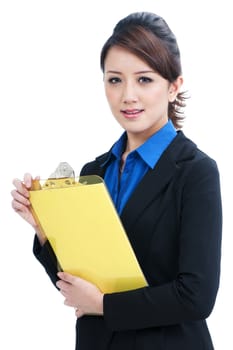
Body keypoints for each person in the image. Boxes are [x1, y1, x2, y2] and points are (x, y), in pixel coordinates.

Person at [11, 11, 222, 350]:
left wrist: (105, 305)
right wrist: (45, 231)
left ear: (173, 86)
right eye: (115, 80)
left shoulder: (196, 172)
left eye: (144, 79)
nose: (128, 96)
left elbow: (196, 296)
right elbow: (79, 286)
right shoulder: (94, 172)